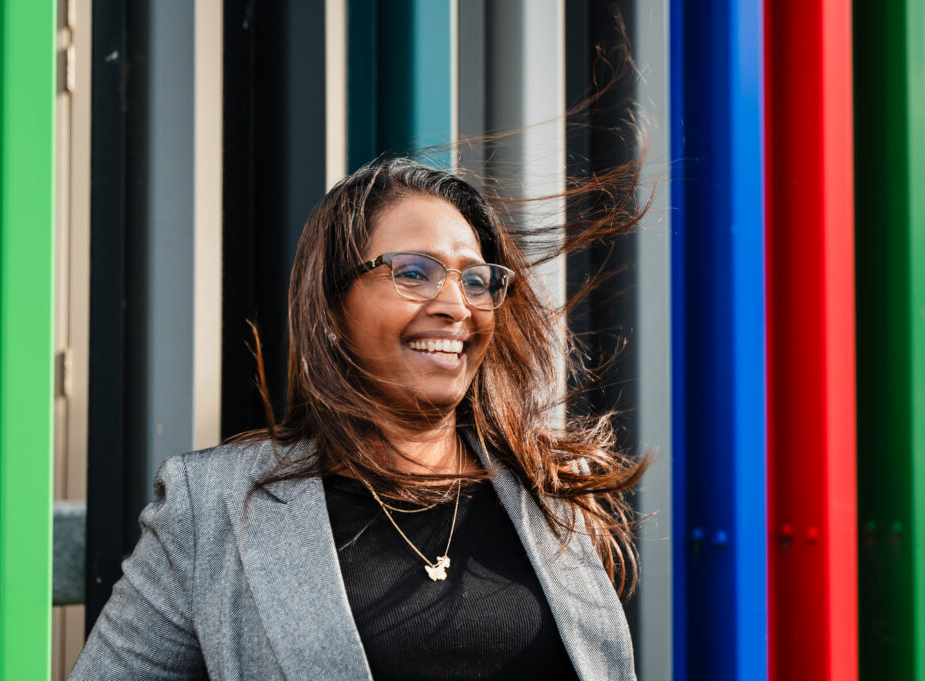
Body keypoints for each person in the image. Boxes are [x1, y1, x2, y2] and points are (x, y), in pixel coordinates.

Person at [70, 157, 648, 680]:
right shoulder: (212, 508)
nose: (455, 305)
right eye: (415, 272)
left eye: (476, 280)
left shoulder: (550, 496)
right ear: (331, 308)